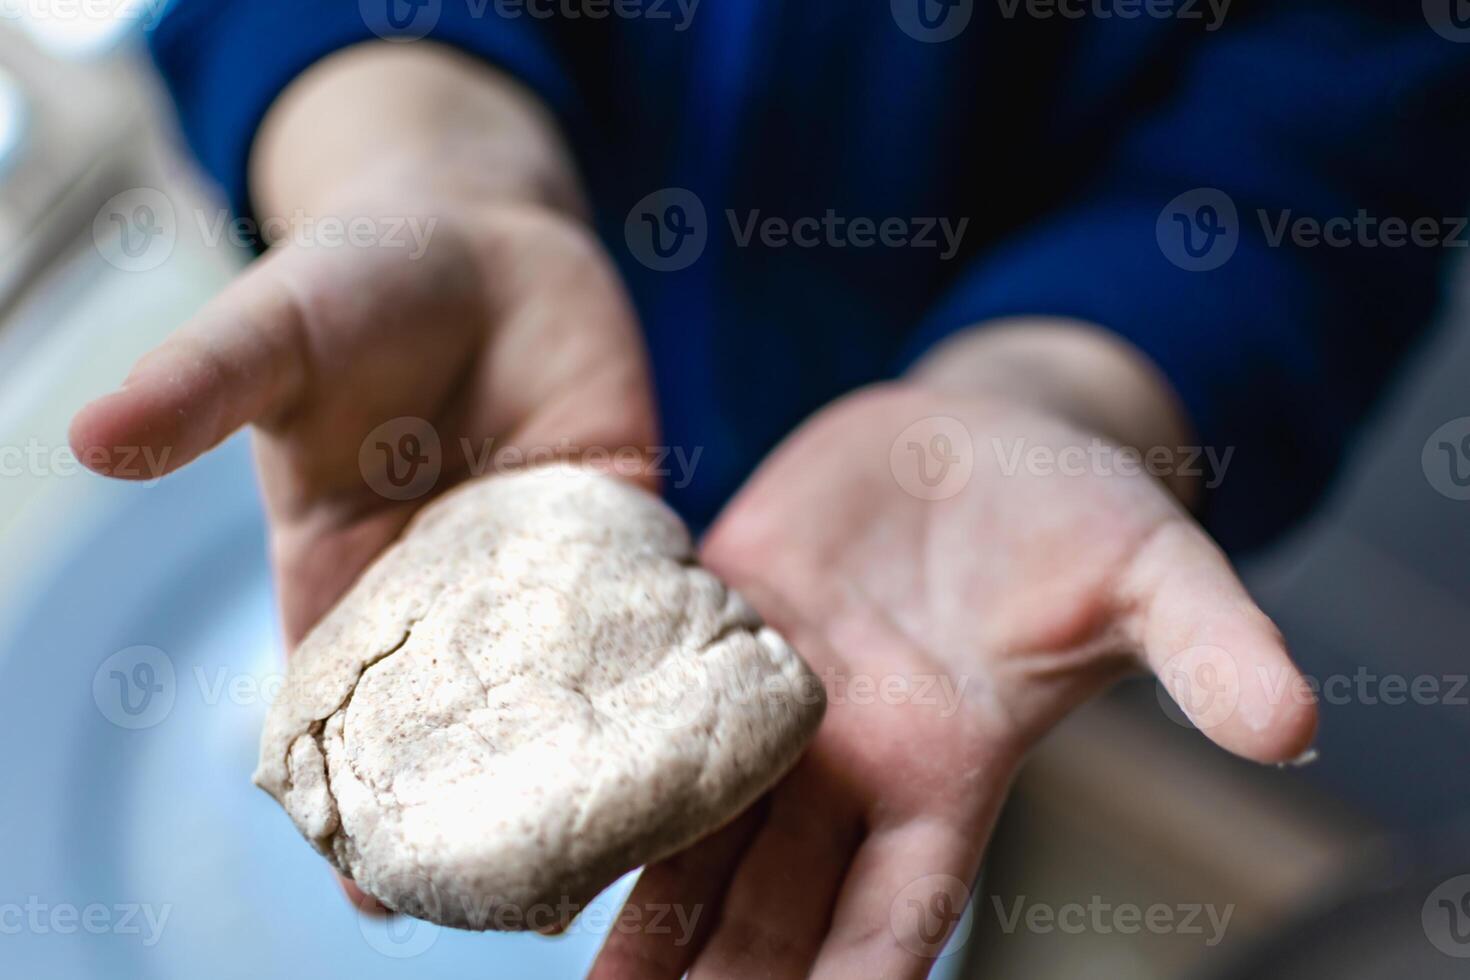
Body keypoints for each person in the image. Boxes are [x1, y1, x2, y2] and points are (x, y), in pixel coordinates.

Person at [69, 3, 1469, 976]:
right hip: (472, 395)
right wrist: (408, 152)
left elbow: (1318, 162)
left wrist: (1067, 393)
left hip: (927, 498)